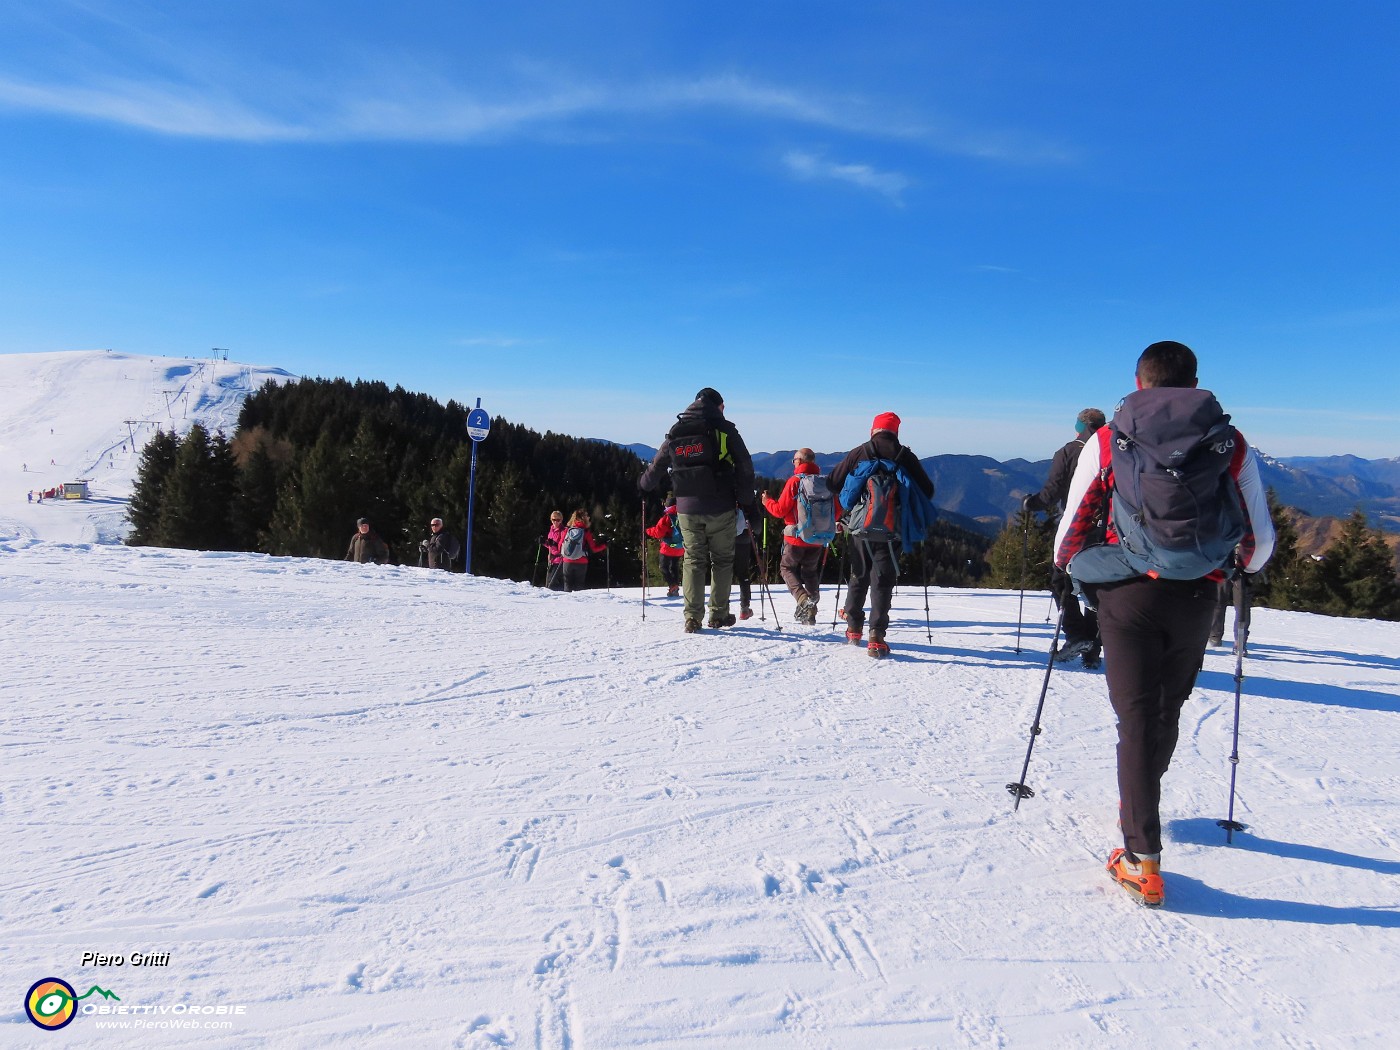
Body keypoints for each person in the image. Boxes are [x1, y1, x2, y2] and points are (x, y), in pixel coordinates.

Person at [1054, 340, 1274, 907]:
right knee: (1165, 709)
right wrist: (1227, 568)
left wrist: (1081, 571)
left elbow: (1070, 531)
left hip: (1127, 594)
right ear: (1196, 381)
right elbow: (1260, 543)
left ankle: (1141, 859)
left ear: (1139, 379)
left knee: (1135, 718)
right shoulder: (1231, 442)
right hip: (1198, 595)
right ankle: (1140, 808)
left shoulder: (1108, 439)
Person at [639, 387, 756, 633]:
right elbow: (745, 466)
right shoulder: (725, 429)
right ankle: (718, 614)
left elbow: (657, 464)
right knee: (722, 560)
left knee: (693, 559)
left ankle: (692, 617)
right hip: (721, 505)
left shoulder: (678, 431)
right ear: (719, 406)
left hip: (686, 508)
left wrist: (644, 484)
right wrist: (747, 503)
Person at [828, 413, 935, 658]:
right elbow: (927, 490)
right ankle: (876, 636)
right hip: (892, 531)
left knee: (858, 576)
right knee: (882, 581)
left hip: (858, 528)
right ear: (896, 432)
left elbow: (833, 483)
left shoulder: (860, 452)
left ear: (873, 430)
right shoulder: (904, 456)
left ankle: (854, 627)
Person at [1024, 408, 1107, 667]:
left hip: (1076, 527)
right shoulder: (1113, 449)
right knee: (1097, 586)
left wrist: (1031, 503)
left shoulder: (1069, 451)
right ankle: (1092, 651)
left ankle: (1075, 635)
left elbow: (1052, 491)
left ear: (1079, 426)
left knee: (1061, 580)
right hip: (1108, 530)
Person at [762, 448, 827, 625]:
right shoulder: (823, 482)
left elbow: (780, 510)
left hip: (796, 537)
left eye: (794, 460)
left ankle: (803, 599)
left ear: (800, 461)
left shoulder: (794, 482)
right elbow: (835, 510)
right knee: (810, 572)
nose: (793, 463)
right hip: (817, 538)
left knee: (787, 569)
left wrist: (767, 501)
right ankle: (811, 607)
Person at [557, 509, 607, 592]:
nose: (588, 517)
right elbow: (594, 549)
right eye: (587, 516)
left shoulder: (566, 530)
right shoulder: (586, 532)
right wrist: (604, 546)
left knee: (567, 585)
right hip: (581, 561)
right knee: (579, 586)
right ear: (583, 518)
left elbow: (559, 547)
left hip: (567, 561)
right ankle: (578, 604)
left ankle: (566, 604)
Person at [645, 497, 685, 598]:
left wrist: (647, 531)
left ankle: (672, 586)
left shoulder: (667, 518)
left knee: (663, 567)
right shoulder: (683, 514)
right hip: (680, 547)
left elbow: (658, 533)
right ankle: (675, 586)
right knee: (674, 567)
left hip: (668, 548)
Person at [733, 507, 755, 619]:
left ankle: (721, 608)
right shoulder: (746, 496)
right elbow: (757, 526)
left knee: (723, 572)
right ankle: (745, 608)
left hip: (724, 537)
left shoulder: (723, 493)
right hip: (743, 538)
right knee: (743, 574)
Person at [543, 510, 567, 590]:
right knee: (549, 583)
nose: (555, 522)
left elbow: (561, 546)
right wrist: (544, 542)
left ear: (561, 520)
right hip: (551, 560)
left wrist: (553, 544)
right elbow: (550, 546)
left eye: (558, 520)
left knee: (552, 584)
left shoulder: (563, 530)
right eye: (554, 520)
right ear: (551, 519)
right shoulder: (551, 530)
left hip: (560, 560)